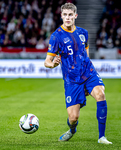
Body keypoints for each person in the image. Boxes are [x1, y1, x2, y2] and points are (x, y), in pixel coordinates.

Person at [44, 3, 112, 144]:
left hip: (88, 73)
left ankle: (102, 137)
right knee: (73, 118)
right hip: (72, 80)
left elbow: (85, 53)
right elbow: (47, 61)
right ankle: (72, 129)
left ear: (75, 16)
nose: (67, 17)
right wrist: (54, 64)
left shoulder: (83, 33)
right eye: (65, 15)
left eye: (70, 15)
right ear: (61, 16)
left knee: (100, 94)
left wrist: (86, 70)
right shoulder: (56, 36)